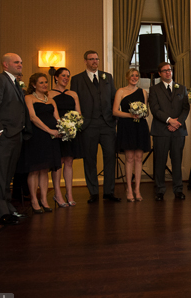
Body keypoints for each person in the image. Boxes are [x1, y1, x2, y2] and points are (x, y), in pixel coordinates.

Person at [70, 50, 120, 203]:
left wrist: (113, 120)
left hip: (107, 124)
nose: (94, 62)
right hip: (88, 125)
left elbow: (113, 98)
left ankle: (109, 192)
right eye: (91, 59)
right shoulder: (77, 79)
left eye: (96, 59)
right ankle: (93, 192)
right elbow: (74, 102)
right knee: (90, 159)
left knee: (110, 158)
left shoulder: (107, 77)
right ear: (85, 61)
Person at [0, 53, 28, 225]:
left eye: (21, 62)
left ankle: (8, 207)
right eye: (16, 62)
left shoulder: (14, 82)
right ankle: (0, 213)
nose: (20, 65)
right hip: (3, 136)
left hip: (15, 135)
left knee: (8, 174)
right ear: (5, 64)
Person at [18, 73, 62, 213]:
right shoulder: (29, 98)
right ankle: (34, 200)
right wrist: (49, 130)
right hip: (36, 136)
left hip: (51, 137)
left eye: (46, 82)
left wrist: (64, 128)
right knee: (34, 169)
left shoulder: (51, 100)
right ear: (34, 85)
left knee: (45, 169)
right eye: (41, 82)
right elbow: (32, 117)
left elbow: (57, 117)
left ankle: (44, 199)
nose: (44, 85)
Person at [149, 62, 190, 201]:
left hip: (178, 131)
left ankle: (178, 190)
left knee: (177, 161)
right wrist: (169, 120)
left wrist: (177, 123)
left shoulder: (182, 88)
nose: (168, 72)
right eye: (165, 70)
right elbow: (155, 109)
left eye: (170, 70)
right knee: (160, 161)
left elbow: (186, 108)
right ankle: (160, 190)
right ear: (160, 73)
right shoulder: (154, 89)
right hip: (161, 130)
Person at [112, 68, 150, 202]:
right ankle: (128, 188)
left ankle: (137, 189)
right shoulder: (120, 91)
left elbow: (147, 112)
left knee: (139, 157)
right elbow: (115, 112)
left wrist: (141, 113)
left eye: (136, 76)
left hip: (140, 126)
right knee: (129, 157)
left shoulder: (143, 92)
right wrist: (131, 114)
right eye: (132, 75)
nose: (134, 77)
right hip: (126, 126)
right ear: (127, 77)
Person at [50, 67, 82, 206]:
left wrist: (73, 125)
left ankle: (69, 193)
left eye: (68, 76)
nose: (66, 78)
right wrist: (61, 126)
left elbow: (78, 112)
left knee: (69, 162)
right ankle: (57, 193)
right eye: (63, 75)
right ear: (56, 77)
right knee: (58, 163)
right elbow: (50, 112)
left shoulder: (73, 94)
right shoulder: (49, 93)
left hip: (71, 131)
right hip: (58, 131)